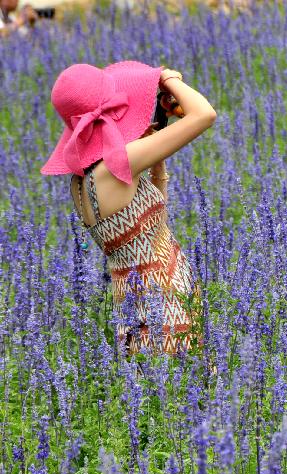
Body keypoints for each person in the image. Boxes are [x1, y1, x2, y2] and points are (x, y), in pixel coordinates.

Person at [41, 62, 217, 355]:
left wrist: (155, 160)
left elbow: (152, 227)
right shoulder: (116, 164)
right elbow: (204, 114)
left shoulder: (81, 180)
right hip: (167, 309)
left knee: (154, 397)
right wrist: (167, 78)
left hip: (135, 314)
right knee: (192, 393)